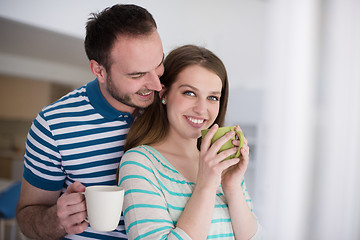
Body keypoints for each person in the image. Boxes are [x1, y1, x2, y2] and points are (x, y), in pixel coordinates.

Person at [16, 4, 164, 240]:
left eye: (158, 64)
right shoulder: (53, 125)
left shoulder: (170, 107)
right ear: (99, 70)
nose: (157, 85)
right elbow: (27, 217)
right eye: (137, 75)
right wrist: (57, 218)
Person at [118, 45, 262, 239]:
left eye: (212, 97)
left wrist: (232, 187)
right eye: (190, 93)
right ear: (164, 94)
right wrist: (206, 186)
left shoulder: (220, 163)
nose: (202, 109)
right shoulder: (139, 163)